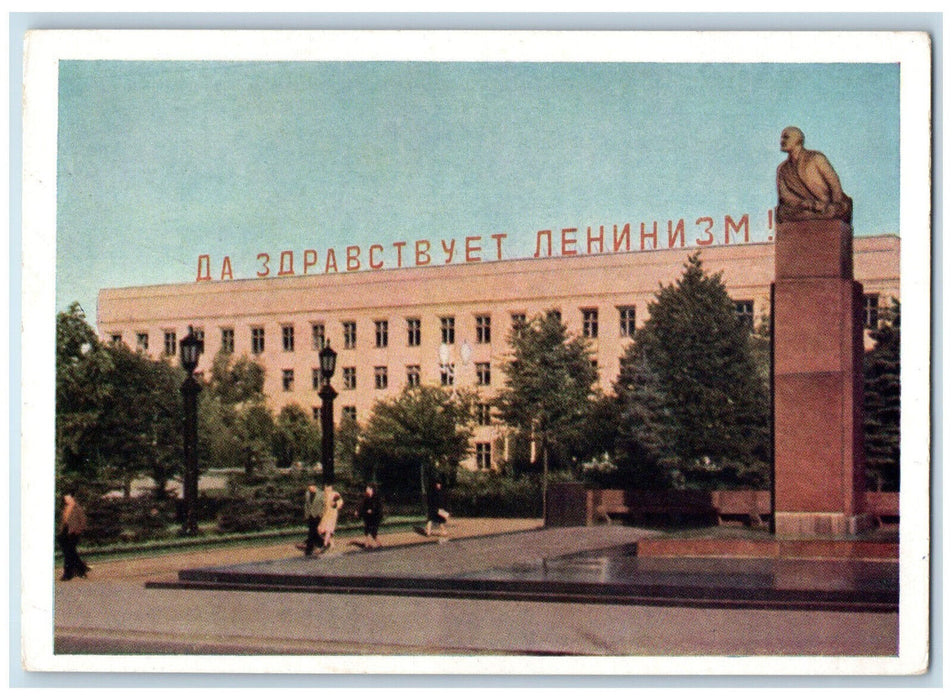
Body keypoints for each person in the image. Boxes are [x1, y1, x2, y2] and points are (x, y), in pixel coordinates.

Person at [776, 126, 852, 225]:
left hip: (826, 205)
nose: (782, 141)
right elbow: (785, 196)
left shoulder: (816, 158)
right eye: (782, 138)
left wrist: (833, 205)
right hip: (803, 209)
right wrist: (803, 204)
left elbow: (834, 184)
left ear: (798, 140)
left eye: (786, 137)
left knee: (834, 211)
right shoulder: (782, 168)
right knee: (782, 212)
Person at [58, 494, 89, 581]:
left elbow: (83, 521)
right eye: (65, 499)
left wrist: (78, 530)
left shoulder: (77, 508)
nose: (67, 500)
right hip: (65, 531)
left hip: (73, 532)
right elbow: (63, 520)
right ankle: (81, 568)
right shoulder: (65, 508)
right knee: (70, 552)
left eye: (68, 498)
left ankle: (68, 574)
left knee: (68, 553)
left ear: (72, 498)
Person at [318, 484, 343, 551]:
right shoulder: (323, 495)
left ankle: (325, 544)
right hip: (325, 514)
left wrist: (335, 504)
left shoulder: (335, 494)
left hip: (332, 514)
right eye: (326, 487)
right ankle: (331, 544)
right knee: (320, 530)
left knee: (328, 529)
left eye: (328, 487)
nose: (327, 488)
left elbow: (340, 503)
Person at [300, 483, 323, 556]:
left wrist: (321, 513)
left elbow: (324, 505)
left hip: (317, 515)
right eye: (309, 488)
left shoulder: (321, 494)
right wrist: (306, 514)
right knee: (312, 532)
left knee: (313, 532)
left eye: (311, 488)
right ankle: (313, 547)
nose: (310, 490)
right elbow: (306, 505)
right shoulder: (307, 494)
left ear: (315, 486)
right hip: (310, 516)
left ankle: (310, 548)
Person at [357, 483, 384, 548]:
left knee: (373, 532)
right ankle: (367, 544)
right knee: (367, 530)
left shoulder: (376, 497)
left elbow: (378, 507)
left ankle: (379, 544)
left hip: (376, 517)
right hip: (368, 517)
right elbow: (361, 505)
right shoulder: (366, 497)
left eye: (368, 488)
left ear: (371, 489)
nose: (366, 490)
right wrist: (358, 511)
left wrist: (372, 510)